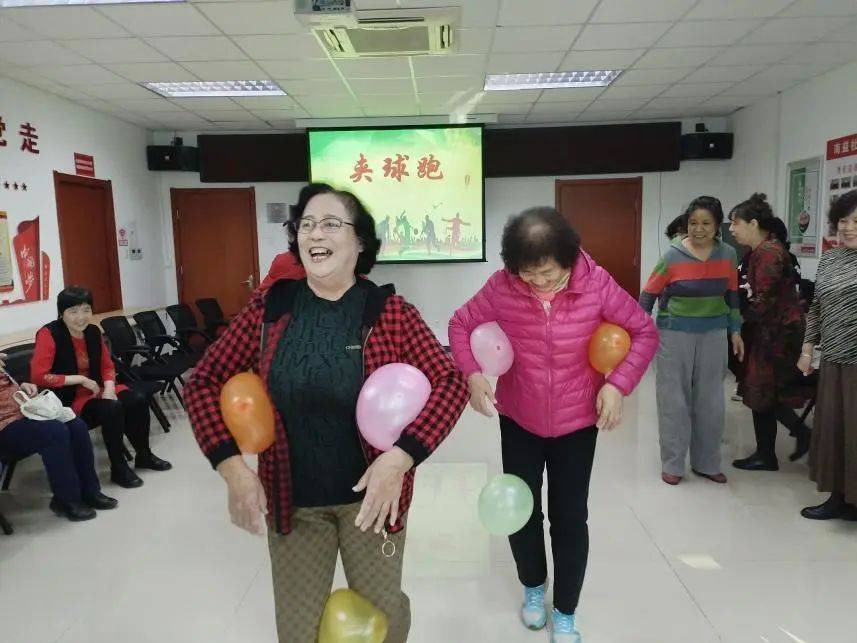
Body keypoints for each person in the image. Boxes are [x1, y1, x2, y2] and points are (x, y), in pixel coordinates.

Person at [185, 183, 469, 643]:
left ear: (360, 242)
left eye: (331, 223)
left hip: (372, 502)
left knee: (383, 620)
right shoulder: (271, 309)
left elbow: (450, 382)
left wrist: (401, 458)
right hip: (293, 502)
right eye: (306, 224)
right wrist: (233, 469)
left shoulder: (388, 311)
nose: (315, 233)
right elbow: (204, 381)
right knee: (298, 633)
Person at [449, 207, 657, 643]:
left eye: (550, 274)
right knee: (521, 511)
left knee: (568, 517)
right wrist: (471, 374)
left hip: (577, 422)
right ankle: (532, 587)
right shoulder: (503, 287)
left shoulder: (596, 283)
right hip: (520, 419)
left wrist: (617, 385)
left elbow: (643, 333)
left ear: (570, 258)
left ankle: (565, 609)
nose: (541, 284)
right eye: (530, 275)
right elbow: (460, 323)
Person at [640, 196, 744, 486]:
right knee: (673, 398)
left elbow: (732, 295)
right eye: (693, 223)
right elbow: (648, 295)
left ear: (717, 225)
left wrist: (735, 329)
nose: (698, 229)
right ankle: (673, 463)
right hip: (675, 333)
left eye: (706, 223)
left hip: (714, 333)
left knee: (711, 401)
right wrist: (639, 330)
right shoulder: (672, 256)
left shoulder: (728, 255)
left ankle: (707, 462)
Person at [30, 287, 172, 489]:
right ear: (61, 313)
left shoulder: (93, 332)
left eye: (86, 309)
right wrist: (79, 379)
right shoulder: (49, 334)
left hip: (97, 390)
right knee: (111, 409)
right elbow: (38, 376)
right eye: (73, 311)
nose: (81, 317)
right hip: (69, 398)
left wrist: (109, 388)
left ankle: (144, 454)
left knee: (137, 399)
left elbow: (107, 365)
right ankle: (119, 467)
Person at [728, 194, 813, 471]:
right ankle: (769, 451)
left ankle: (793, 439)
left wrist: (737, 319)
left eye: (735, 223)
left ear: (753, 223)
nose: (731, 229)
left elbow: (763, 300)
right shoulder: (762, 251)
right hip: (772, 332)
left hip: (778, 336)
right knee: (760, 393)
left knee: (762, 391)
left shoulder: (768, 254)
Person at [798, 189, 857, 521]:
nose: (848, 228)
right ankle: (840, 497)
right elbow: (817, 309)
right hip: (834, 357)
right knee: (834, 427)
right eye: (844, 220)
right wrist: (808, 349)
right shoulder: (832, 259)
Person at [0, 356, 116, 521]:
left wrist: (22, 385)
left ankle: (90, 491)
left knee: (75, 425)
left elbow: (6, 386)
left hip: (23, 413)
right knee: (54, 432)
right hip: (4, 427)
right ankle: (67, 500)